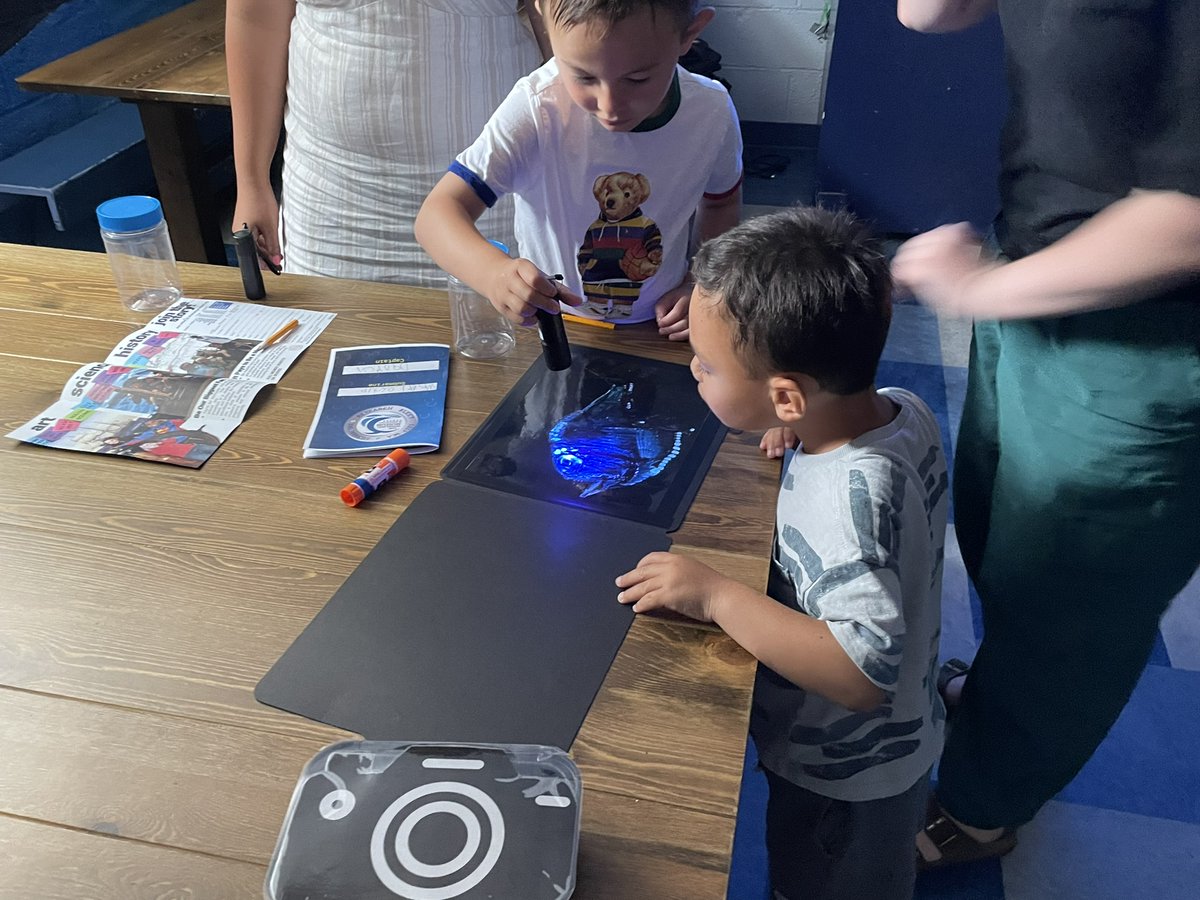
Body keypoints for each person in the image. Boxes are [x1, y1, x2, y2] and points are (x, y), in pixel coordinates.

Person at [889, 0, 1200, 870]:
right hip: (1040, 269)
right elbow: (928, 11)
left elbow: (1189, 217)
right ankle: (998, 707)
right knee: (1005, 542)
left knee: (1073, 612)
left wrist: (974, 290)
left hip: (1152, 340)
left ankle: (984, 810)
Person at [615, 207, 950, 900]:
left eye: (706, 366)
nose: (695, 371)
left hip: (846, 774)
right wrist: (793, 427)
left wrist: (716, 596)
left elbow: (860, 673)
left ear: (789, 395)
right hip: (906, 733)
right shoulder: (897, 408)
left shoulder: (843, 503)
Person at [414, 0, 743, 340]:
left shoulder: (711, 112)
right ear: (543, 15)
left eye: (637, 79)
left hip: (661, 326)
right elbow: (437, 213)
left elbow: (721, 203)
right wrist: (493, 274)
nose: (609, 106)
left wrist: (701, 283)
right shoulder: (536, 107)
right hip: (554, 325)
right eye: (584, 76)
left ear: (689, 35)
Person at [226, 0, 542, 285]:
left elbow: (567, 24)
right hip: (332, 201)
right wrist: (251, 181)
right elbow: (256, 18)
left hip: (494, 194)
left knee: (513, 342)